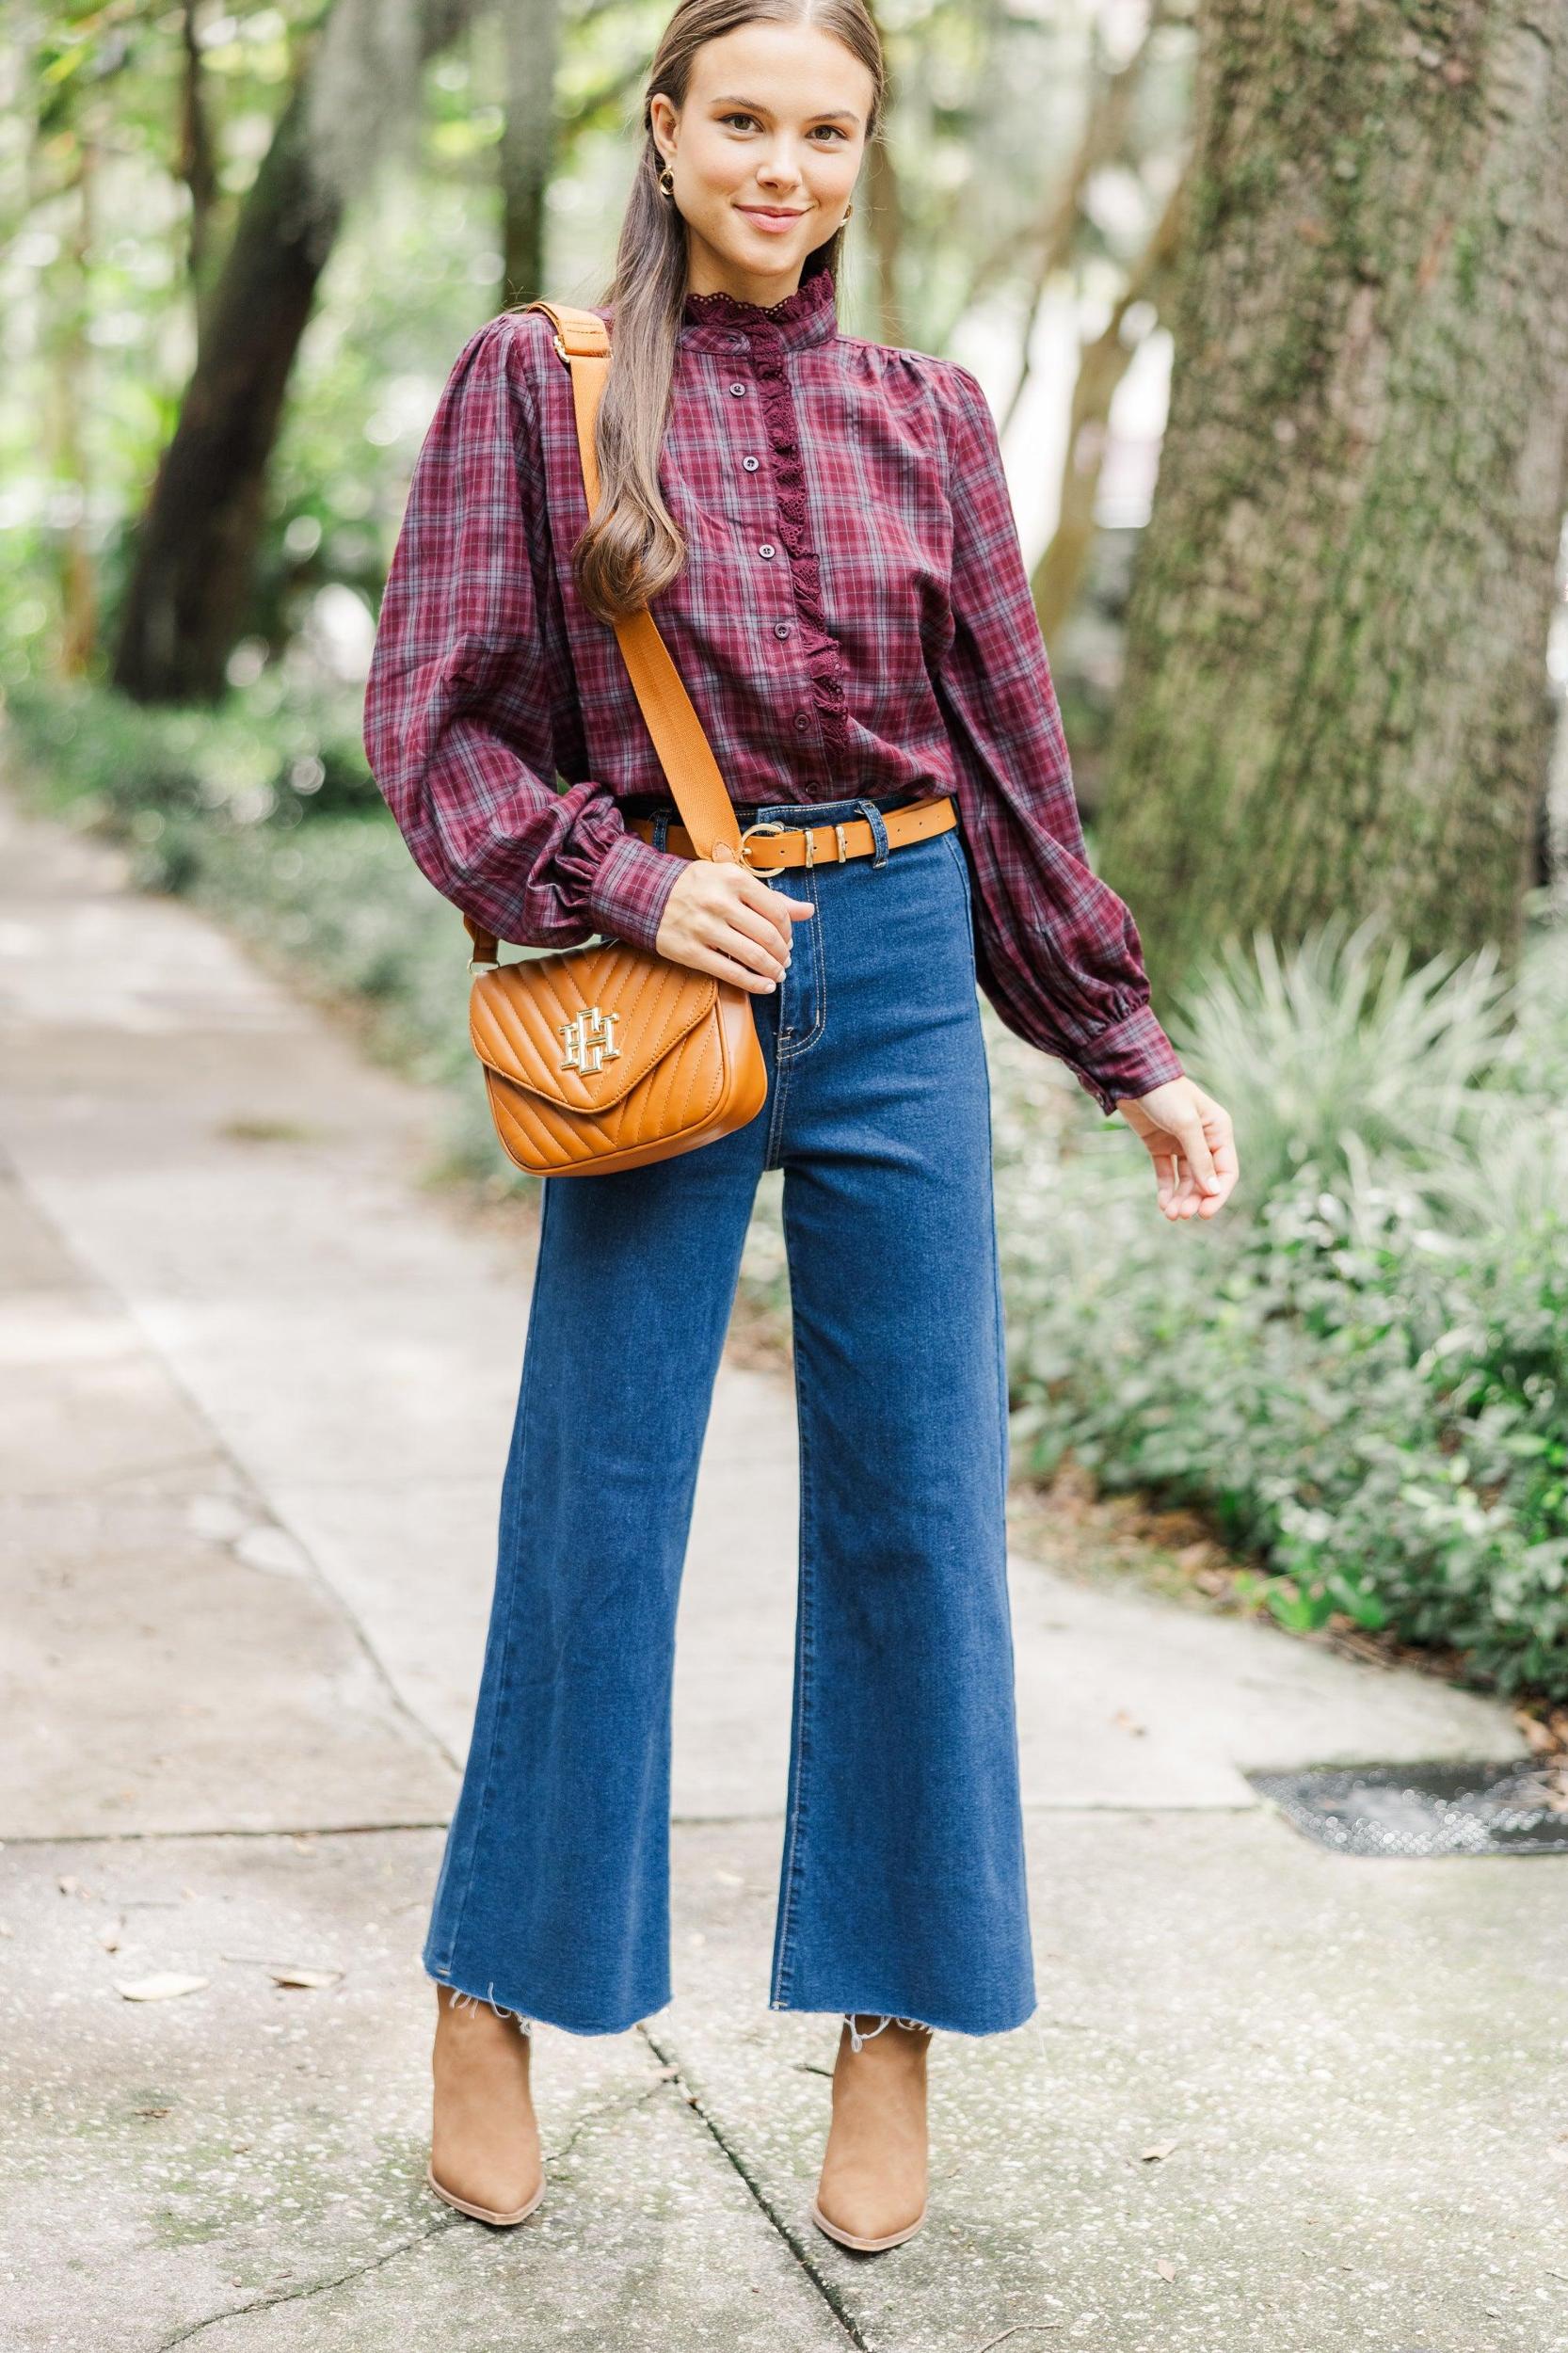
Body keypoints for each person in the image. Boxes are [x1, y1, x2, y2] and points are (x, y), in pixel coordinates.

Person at [362, 0, 1238, 2257]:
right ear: (660, 136)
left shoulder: (925, 413)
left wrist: (1121, 1044)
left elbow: (1010, 756)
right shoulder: (535, 388)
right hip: (666, 977)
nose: (783, 164)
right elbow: (431, 729)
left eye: (823, 129)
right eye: (739, 120)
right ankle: (496, 1982)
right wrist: (637, 879)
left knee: (921, 1507)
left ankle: (889, 2021)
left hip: (900, 971)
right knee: (601, 1491)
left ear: (863, 152)